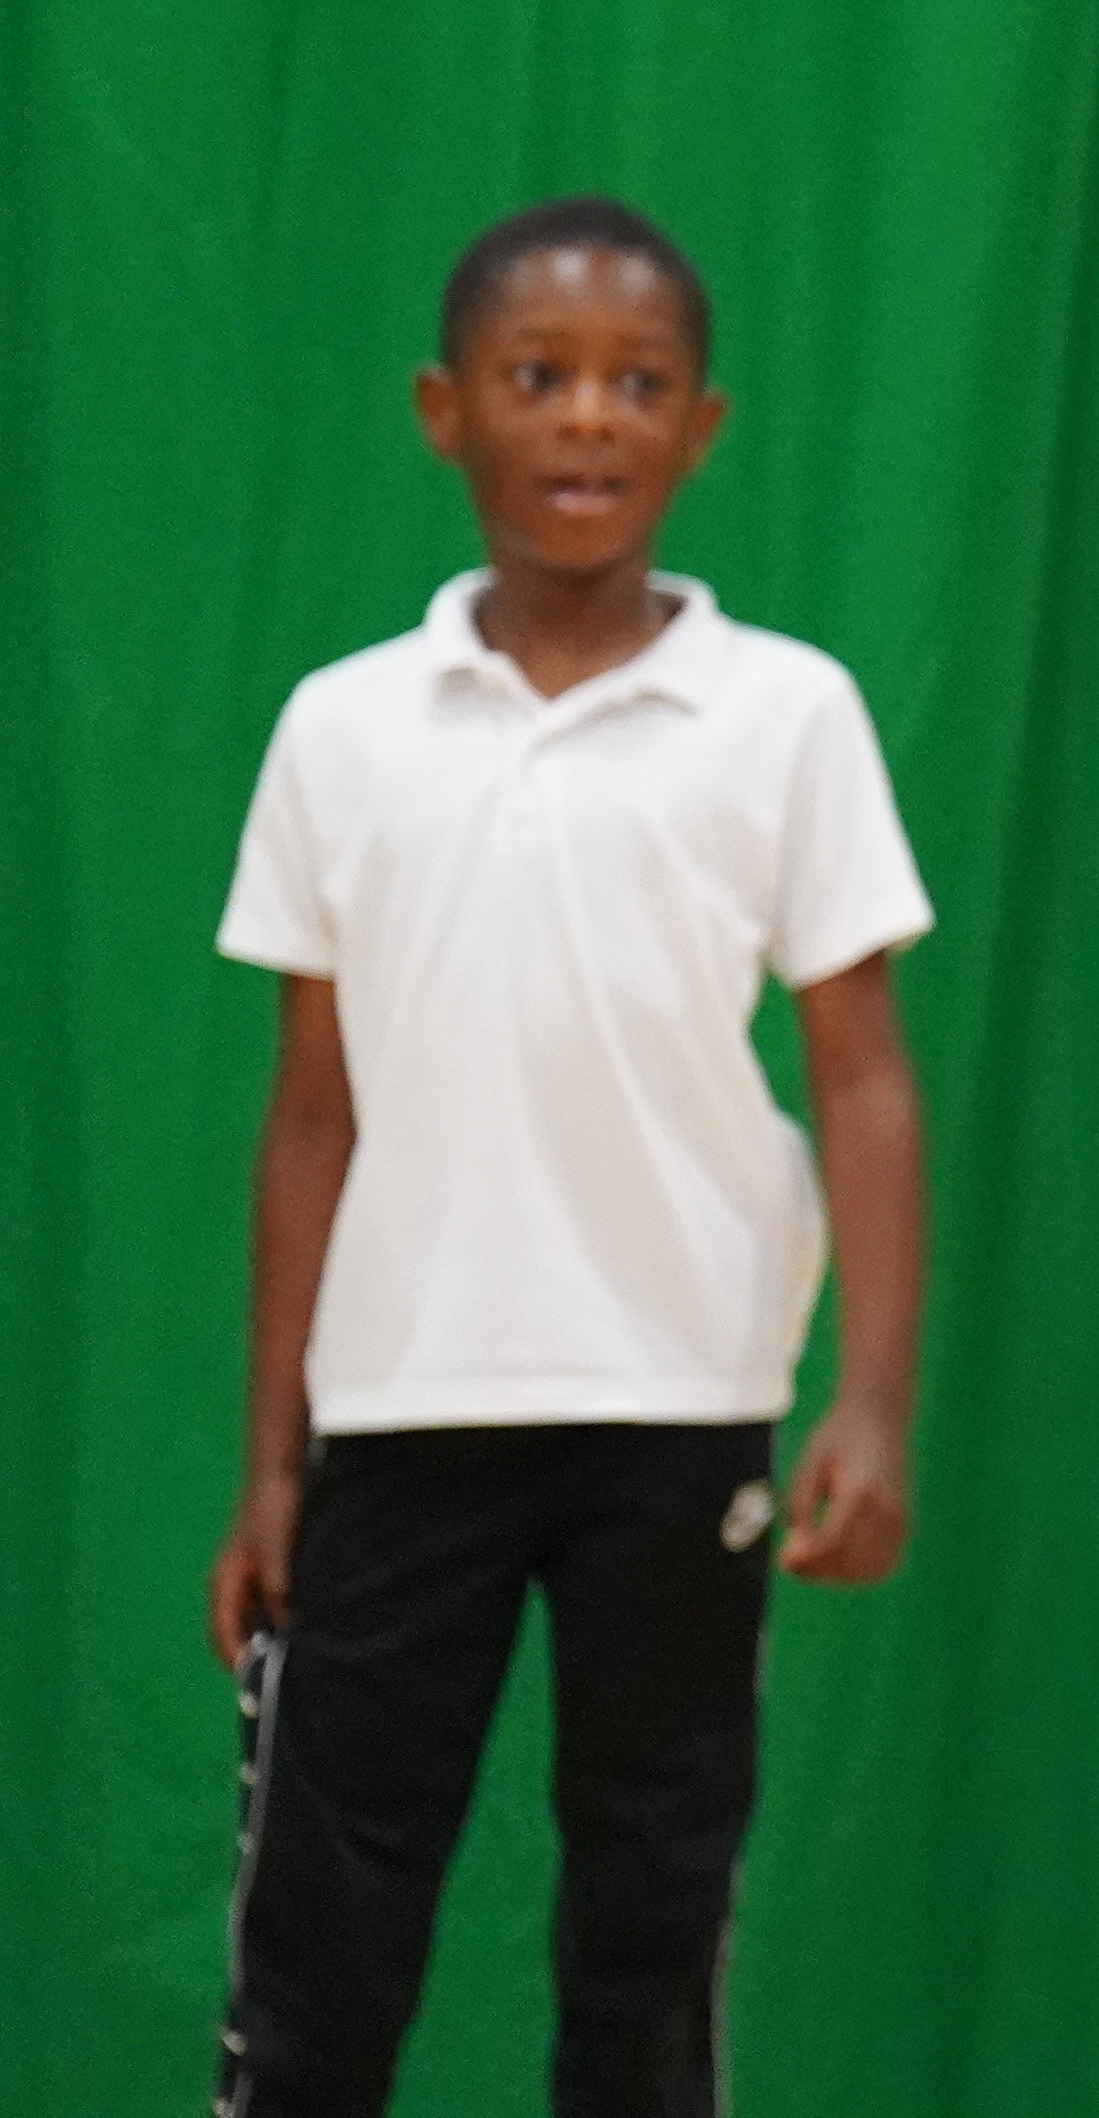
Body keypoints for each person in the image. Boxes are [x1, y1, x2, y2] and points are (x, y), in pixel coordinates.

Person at [206, 196, 938, 2117]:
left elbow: (860, 1075)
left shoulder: (785, 717)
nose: (588, 421)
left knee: (648, 1915)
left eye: (637, 385)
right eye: (540, 379)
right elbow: (313, 1112)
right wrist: (273, 1458)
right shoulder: (343, 731)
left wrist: (867, 1397)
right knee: (327, 1933)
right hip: (401, 1403)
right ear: (447, 410)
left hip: (679, 1399)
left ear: (703, 427)